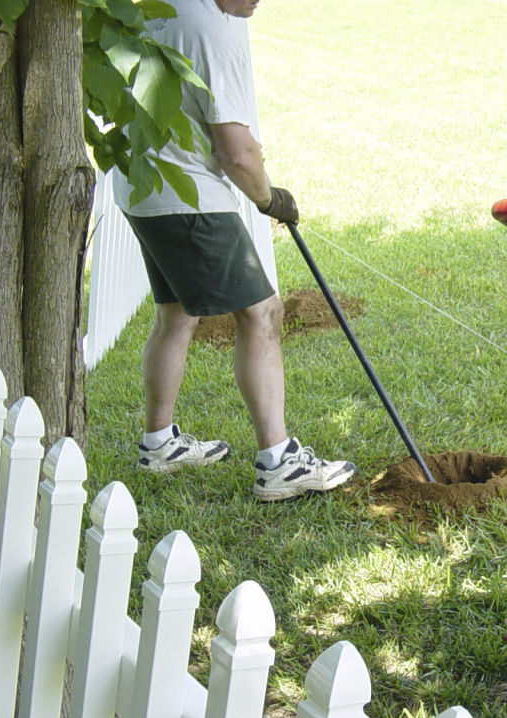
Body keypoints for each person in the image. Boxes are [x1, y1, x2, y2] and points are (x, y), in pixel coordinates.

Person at [113, 0, 355, 500]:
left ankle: (159, 443)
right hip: (187, 195)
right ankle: (278, 462)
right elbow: (236, 151)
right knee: (263, 314)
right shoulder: (211, 31)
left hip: (143, 188)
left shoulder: (166, 6)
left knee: (174, 315)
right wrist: (270, 200)